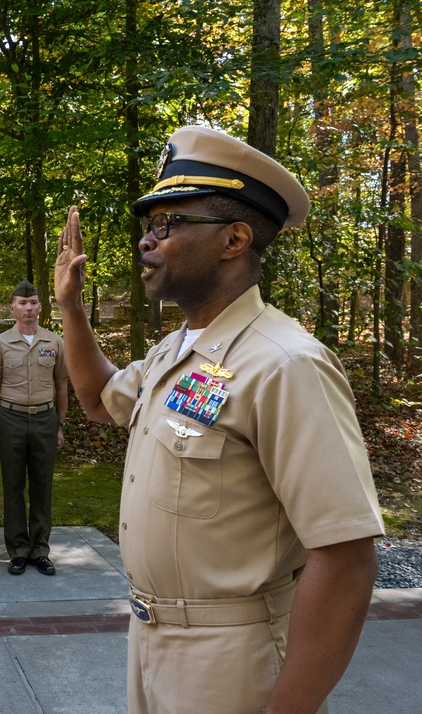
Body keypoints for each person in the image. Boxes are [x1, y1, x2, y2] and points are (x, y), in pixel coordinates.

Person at [54, 125, 384, 713]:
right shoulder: (177, 349)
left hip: (233, 657)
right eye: (148, 227)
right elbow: (98, 398)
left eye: (169, 224)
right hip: (151, 641)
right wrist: (71, 311)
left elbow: (347, 557)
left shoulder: (285, 364)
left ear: (234, 239)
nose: (147, 242)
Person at [0, 279, 69, 576]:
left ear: (40, 307)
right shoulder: (0, 344)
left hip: (45, 419)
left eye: (33, 303)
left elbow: (61, 385)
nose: (28, 308)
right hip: (11, 419)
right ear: (13, 308)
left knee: (43, 486)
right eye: (22, 303)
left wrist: (59, 425)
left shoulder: (54, 342)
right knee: (14, 486)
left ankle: (40, 550)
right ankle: (18, 551)